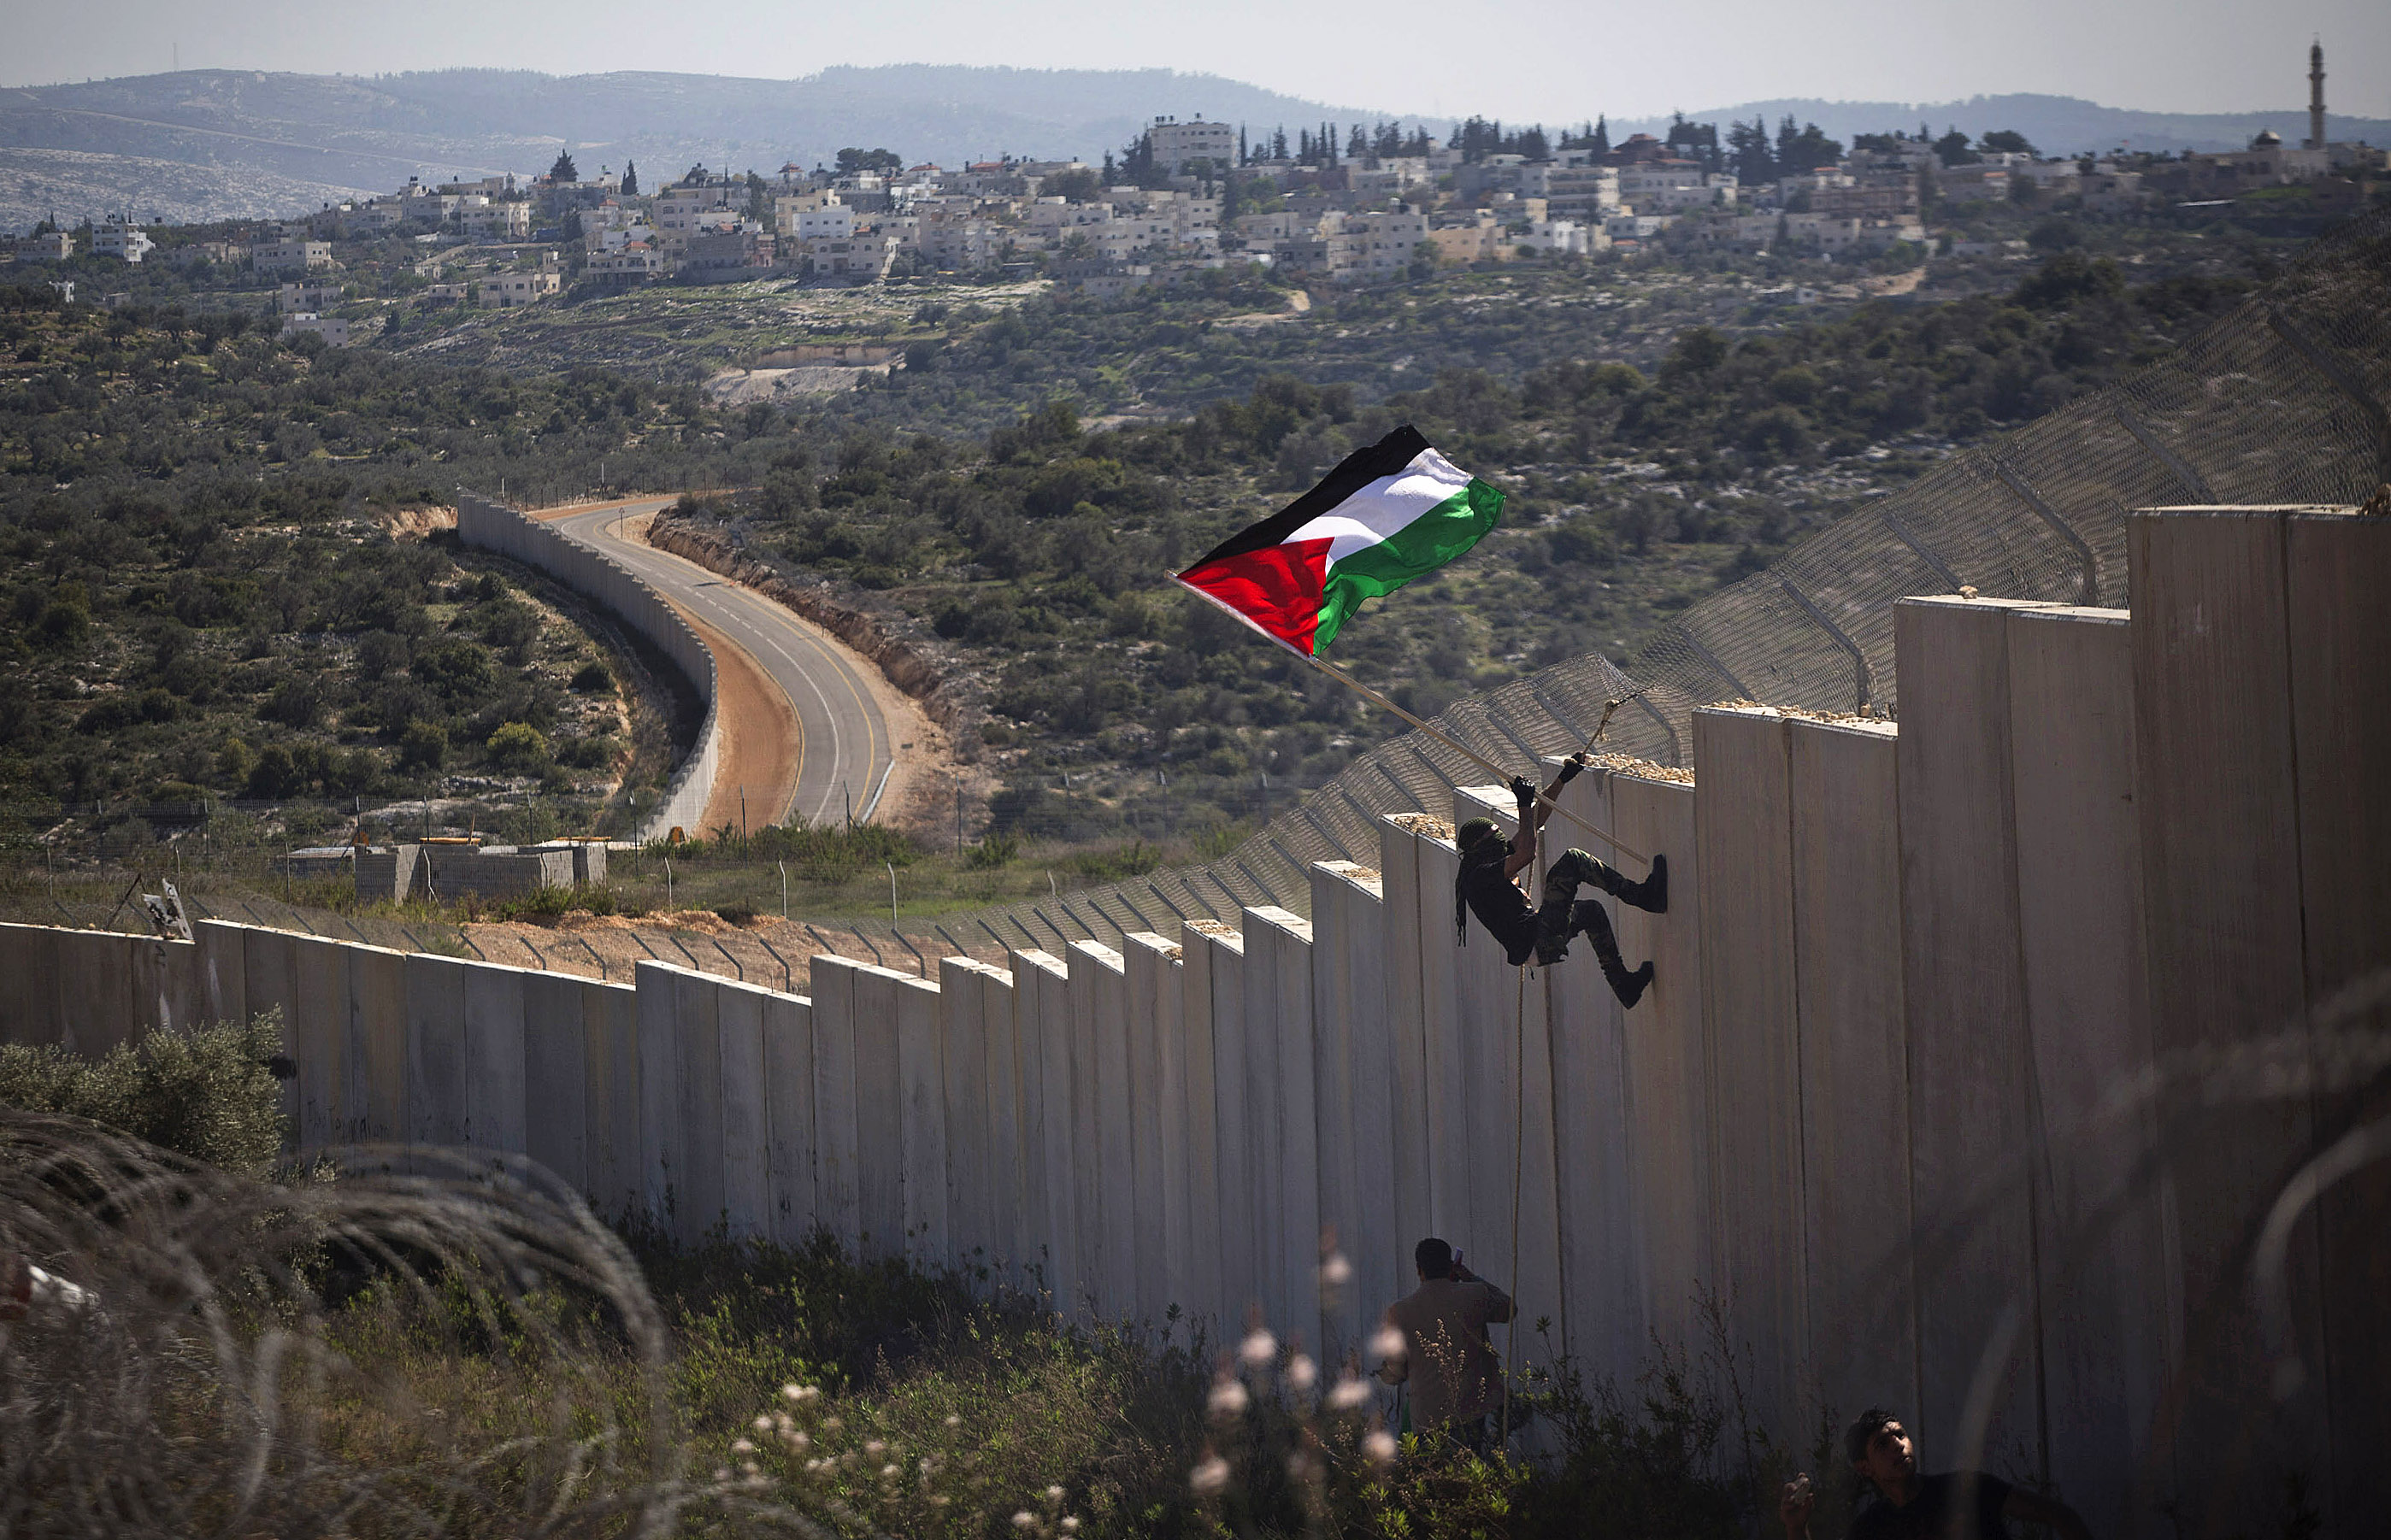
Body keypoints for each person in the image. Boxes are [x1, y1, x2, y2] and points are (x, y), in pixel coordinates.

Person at [1452, 753, 1668, 1007]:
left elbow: (1533, 824)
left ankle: (1624, 986)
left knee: (1591, 912)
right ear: (1484, 846)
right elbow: (1527, 852)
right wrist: (1522, 803)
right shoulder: (1480, 876)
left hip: (1536, 941)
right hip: (1537, 938)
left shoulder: (1482, 863)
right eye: (1497, 839)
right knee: (1573, 860)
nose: (1504, 844)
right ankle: (1642, 896)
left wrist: (1562, 780)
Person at [1780, 1408, 2094, 1540]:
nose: (1898, 1448)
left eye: (1900, 1436)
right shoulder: (1873, 1527)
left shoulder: (1964, 1490)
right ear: (1864, 1467)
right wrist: (1797, 1528)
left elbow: (2060, 1515)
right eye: (1882, 1445)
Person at [1375, 1237, 1514, 1450]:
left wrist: (1383, 1374)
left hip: (1427, 1416)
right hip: (1471, 1409)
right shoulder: (1475, 1294)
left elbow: (1397, 1370)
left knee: (1433, 1477)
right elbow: (1508, 1309)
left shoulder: (1400, 1311)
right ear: (1451, 1266)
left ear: (1418, 1269)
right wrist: (1469, 1277)